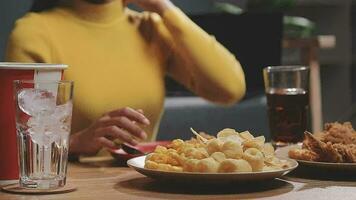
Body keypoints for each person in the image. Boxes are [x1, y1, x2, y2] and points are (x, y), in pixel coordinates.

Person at [6, 0, 246, 156]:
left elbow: (230, 88)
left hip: (146, 186)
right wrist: (77, 142)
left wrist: (164, 8)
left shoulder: (150, 28)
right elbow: (18, 145)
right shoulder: (34, 33)